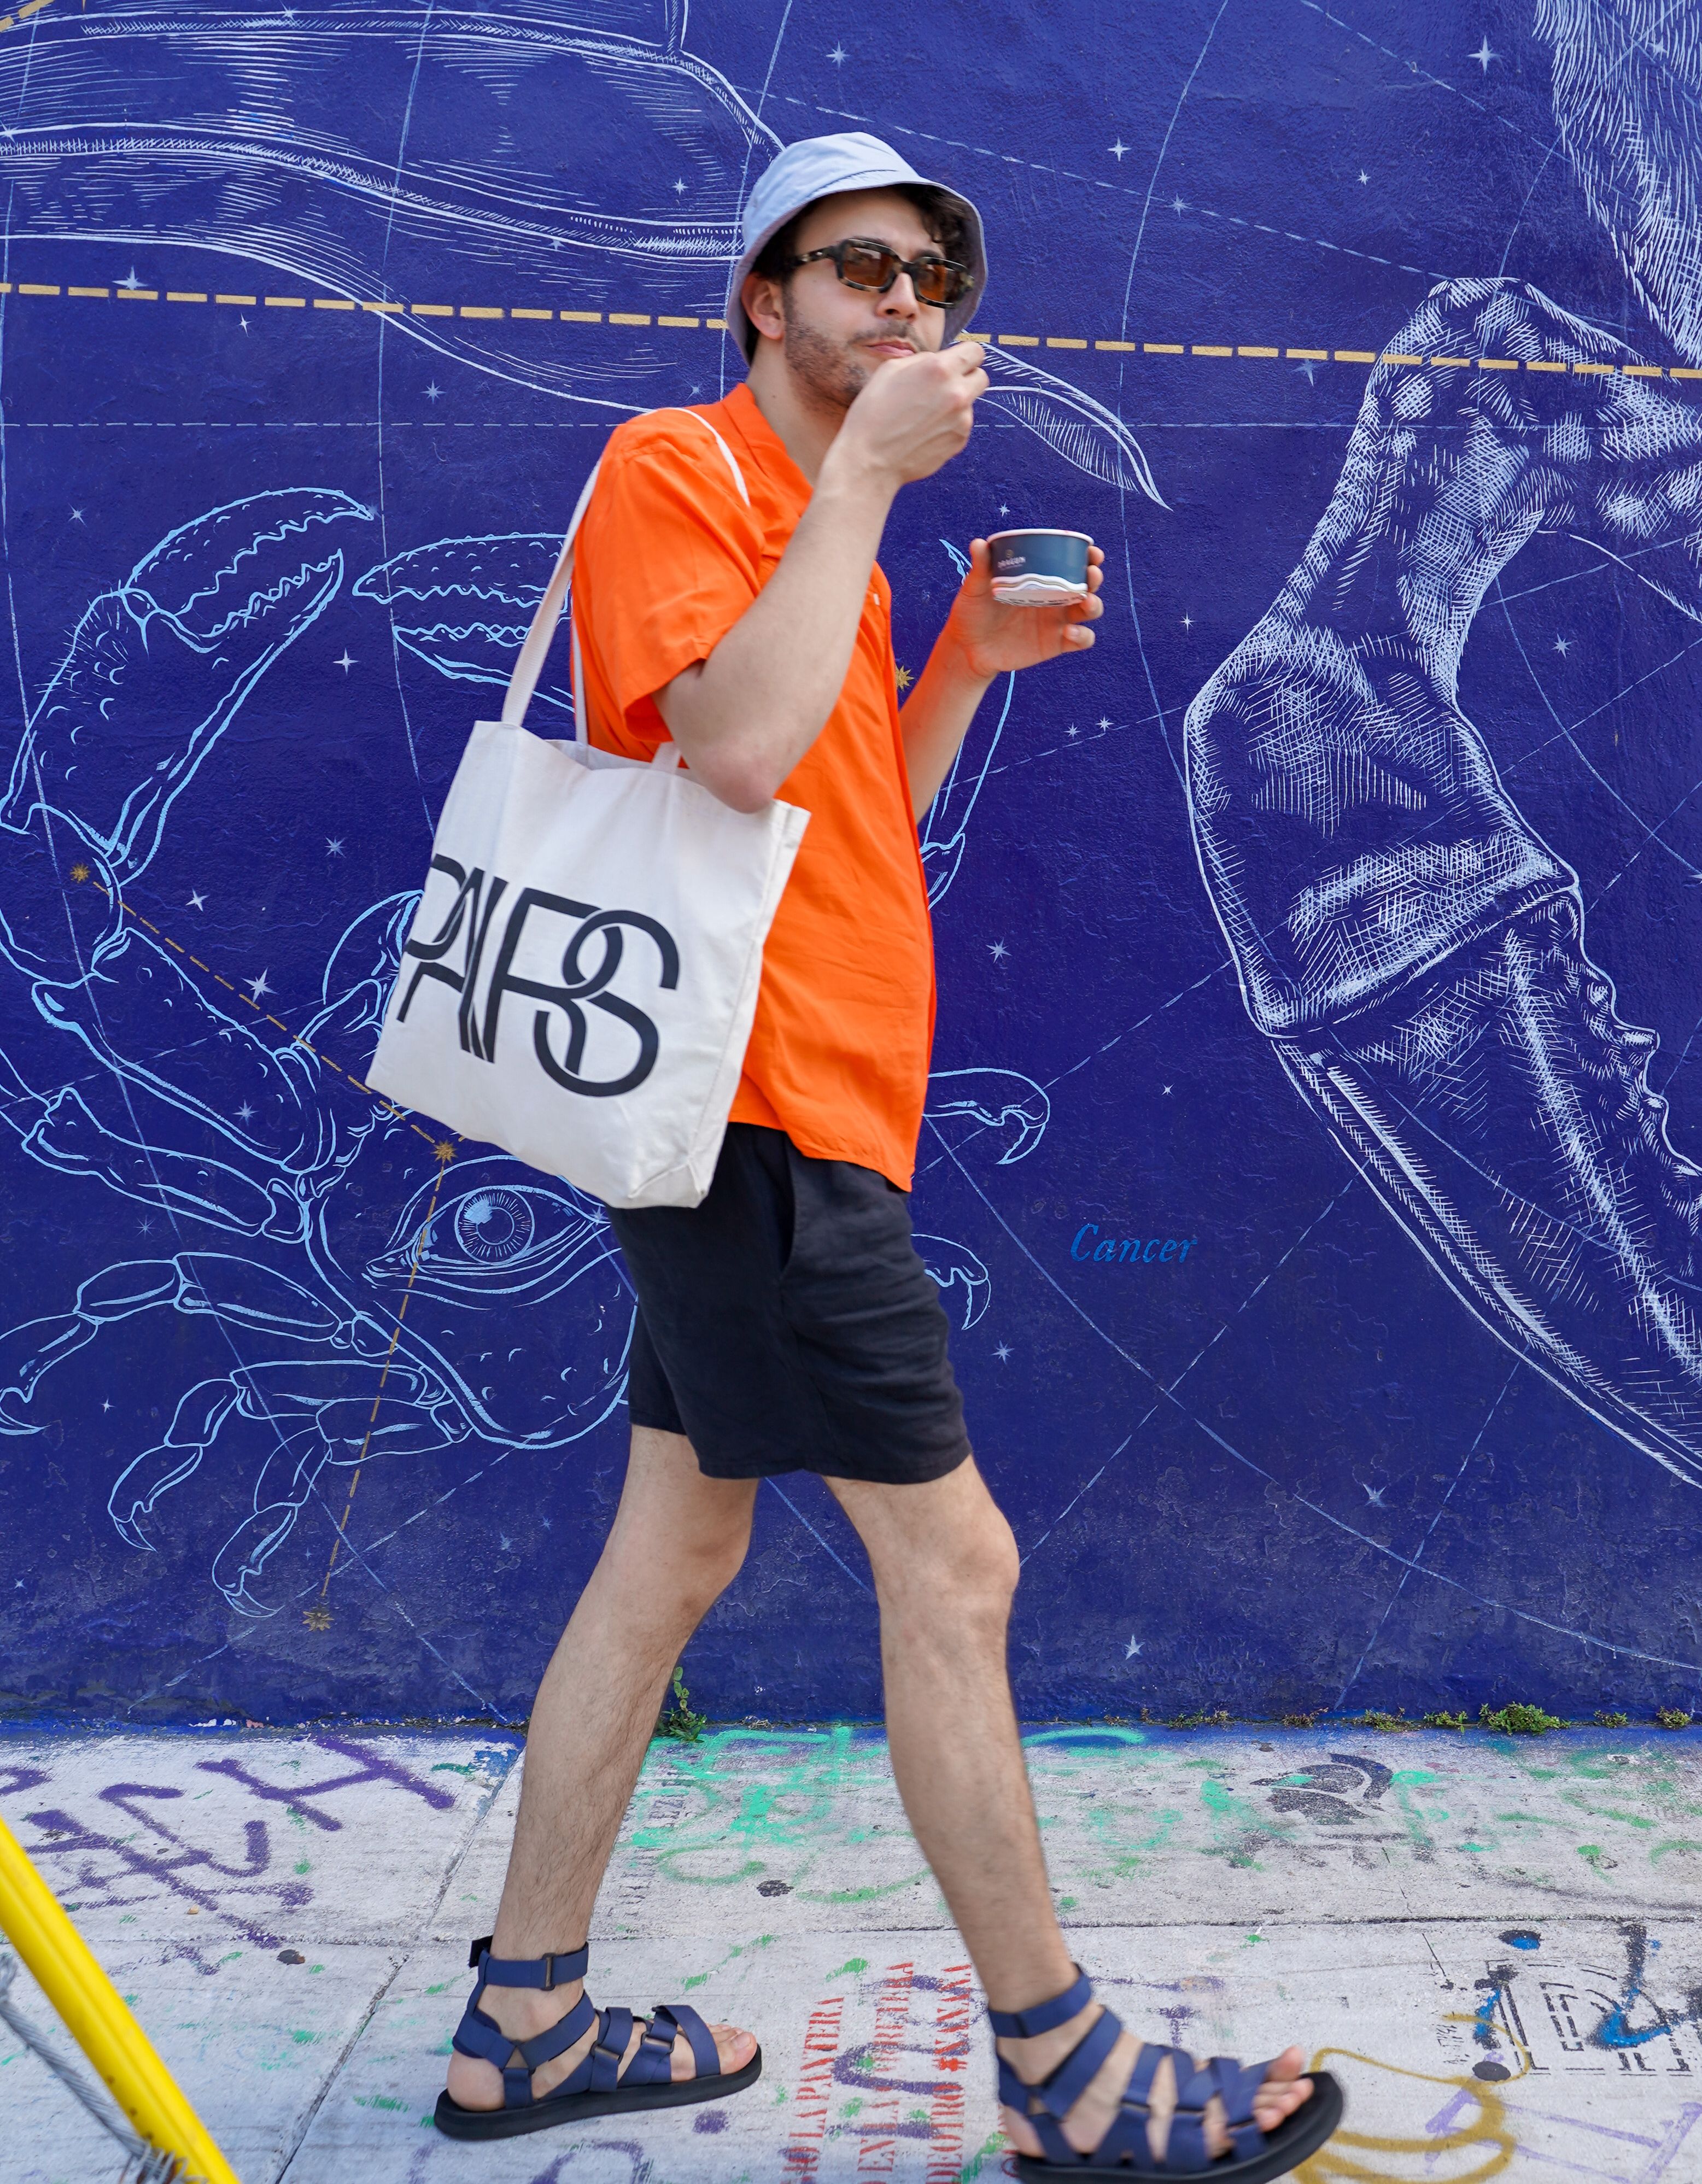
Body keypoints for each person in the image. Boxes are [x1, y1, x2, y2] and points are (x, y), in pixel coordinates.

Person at [430, 132, 1343, 2178]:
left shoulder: (831, 527)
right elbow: (729, 749)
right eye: (859, 266)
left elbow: (835, 808)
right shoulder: (680, 469)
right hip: (754, 1113)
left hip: (809, 1099)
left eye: (931, 276)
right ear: (764, 295)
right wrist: (855, 486)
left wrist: (957, 669)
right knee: (958, 1564)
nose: (905, 302)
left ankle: (526, 2020)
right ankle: (1064, 2069)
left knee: (672, 1551)